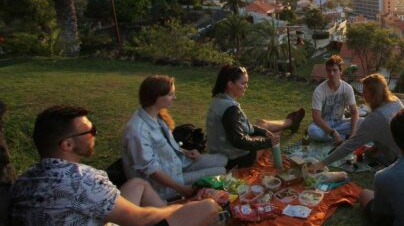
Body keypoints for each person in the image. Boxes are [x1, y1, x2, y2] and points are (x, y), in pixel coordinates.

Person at [10, 105, 221, 226]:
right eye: (89, 132)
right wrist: (185, 204)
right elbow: (140, 219)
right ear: (67, 144)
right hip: (132, 219)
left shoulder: (25, 179)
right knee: (208, 207)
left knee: (137, 184)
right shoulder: (82, 179)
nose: (94, 135)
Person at [122, 75, 228, 200]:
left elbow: (166, 146)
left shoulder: (156, 116)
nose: (174, 98)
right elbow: (152, 171)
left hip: (177, 164)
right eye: (170, 95)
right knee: (221, 171)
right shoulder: (137, 131)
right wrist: (180, 188)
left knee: (223, 159)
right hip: (165, 184)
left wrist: (185, 151)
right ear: (155, 97)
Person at [206, 65, 305, 170]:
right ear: (230, 84)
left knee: (262, 124)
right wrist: (268, 142)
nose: (246, 86)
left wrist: (262, 131)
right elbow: (239, 141)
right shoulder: (230, 109)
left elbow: (238, 128)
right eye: (243, 83)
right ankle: (290, 123)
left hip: (222, 150)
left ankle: (290, 121)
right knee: (272, 136)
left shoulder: (218, 99)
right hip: (234, 158)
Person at [308, 74, 404, 172]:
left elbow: (349, 146)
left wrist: (321, 164)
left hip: (399, 160)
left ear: (373, 93)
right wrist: (376, 147)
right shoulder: (396, 101)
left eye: (365, 91)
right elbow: (389, 131)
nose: (362, 94)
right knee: (368, 151)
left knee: (368, 155)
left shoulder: (375, 117)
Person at [308, 55, 360, 143]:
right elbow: (316, 117)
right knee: (313, 131)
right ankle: (341, 137)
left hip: (340, 122)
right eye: (329, 71)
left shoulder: (347, 88)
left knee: (362, 122)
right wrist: (333, 133)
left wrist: (353, 133)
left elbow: (354, 112)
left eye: (335, 70)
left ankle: (340, 137)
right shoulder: (319, 91)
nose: (331, 74)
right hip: (324, 125)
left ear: (340, 71)